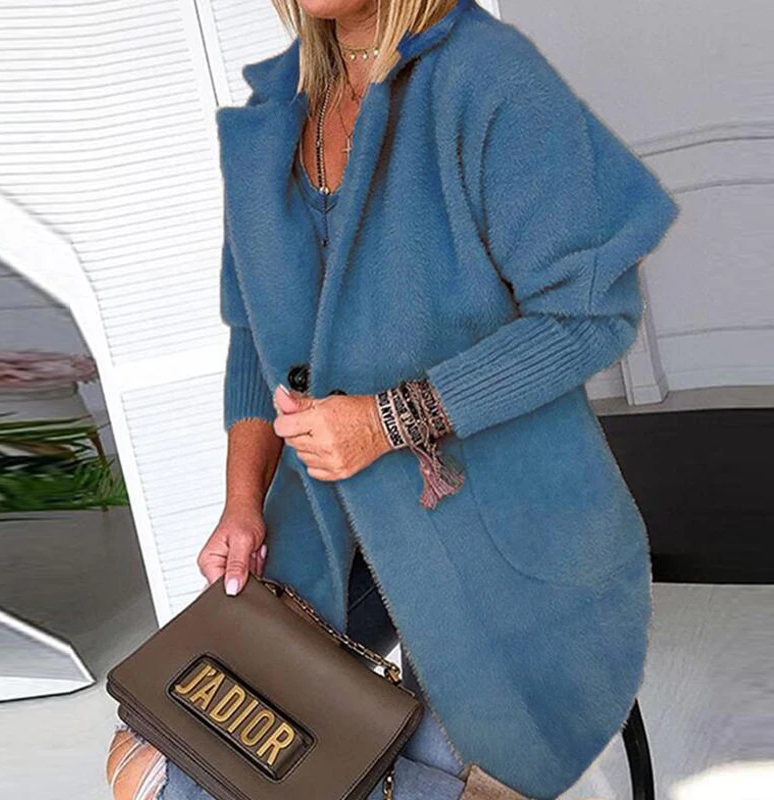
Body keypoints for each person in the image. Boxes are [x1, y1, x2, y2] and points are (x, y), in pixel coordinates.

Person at [106, 0, 680, 798]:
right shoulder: (280, 113)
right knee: (158, 754)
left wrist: (387, 421)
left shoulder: (490, 81)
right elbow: (254, 337)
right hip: (330, 522)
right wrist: (242, 504)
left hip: (497, 528)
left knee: (302, 775)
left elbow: (589, 316)